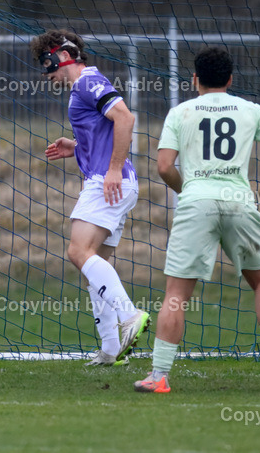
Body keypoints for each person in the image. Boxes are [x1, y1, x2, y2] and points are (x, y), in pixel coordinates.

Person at [135, 46, 260, 393]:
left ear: (195, 80)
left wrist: (190, 190)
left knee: (176, 294)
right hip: (239, 204)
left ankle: (158, 376)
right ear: (230, 80)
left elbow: (164, 167)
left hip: (196, 205)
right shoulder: (251, 110)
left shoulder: (180, 112)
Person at [31, 29, 150, 366]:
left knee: (77, 251)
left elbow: (125, 118)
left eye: (45, 62)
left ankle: (130, 316)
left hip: (107, 182)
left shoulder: (86, 82)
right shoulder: (81, 88)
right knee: (94, 266)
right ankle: (111, 349)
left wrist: (113, 169)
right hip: (114, 182)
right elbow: (106, 129)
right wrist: (76, 146)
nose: (44, 72)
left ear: (62, 55)